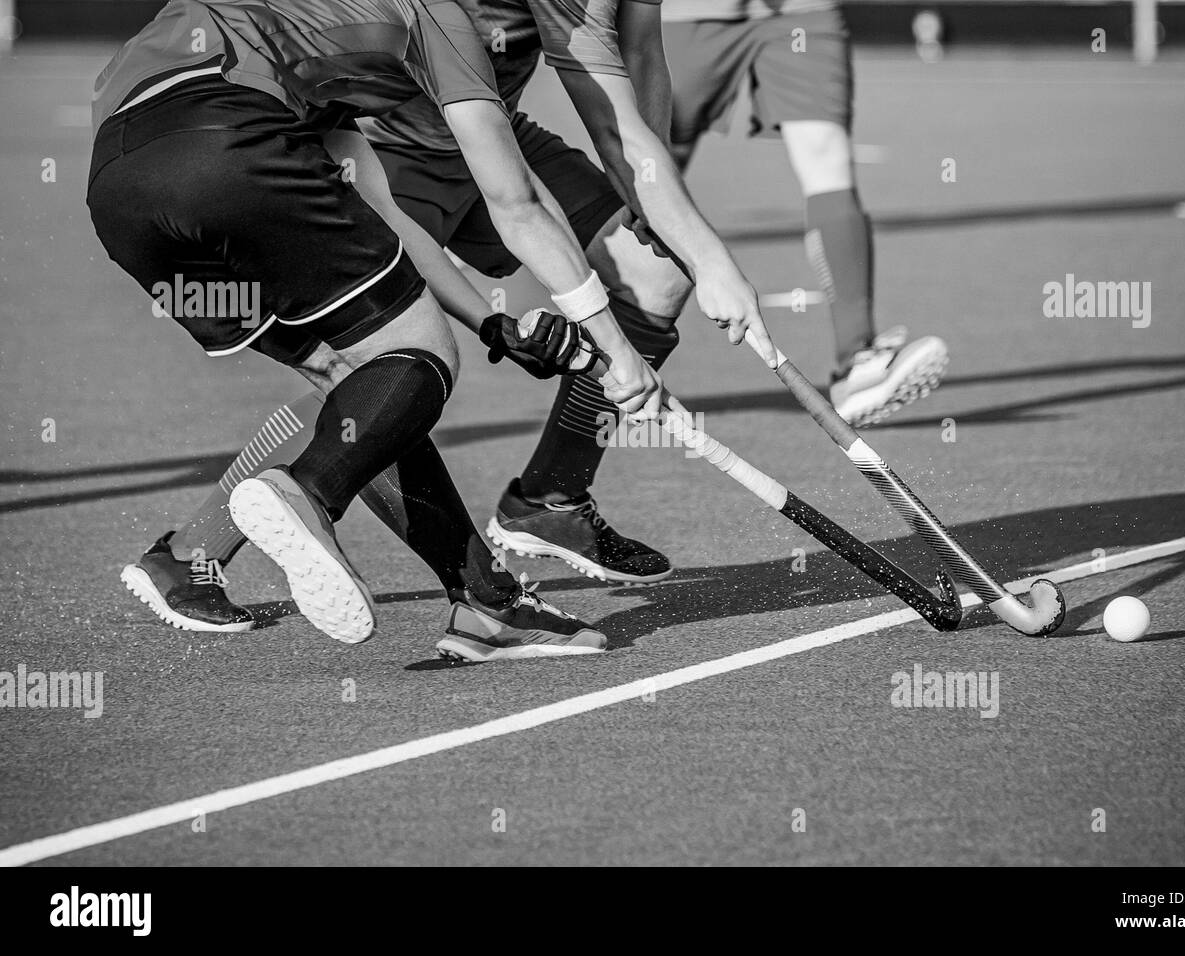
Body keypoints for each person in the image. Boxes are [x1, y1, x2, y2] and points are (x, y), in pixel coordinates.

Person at [123, 0, 788, 639]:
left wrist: (663, 219)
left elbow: (641, 54)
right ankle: (198, 550)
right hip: (385, 142)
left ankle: (549, 503)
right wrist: (709, 261)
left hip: (490, 132)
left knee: (653, 277)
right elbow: (597, 132)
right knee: (372, 360)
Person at [660, 0, 949, 425]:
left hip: (800, 10)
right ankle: (608, 340)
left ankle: (857, 363)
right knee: (657, 171)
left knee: (826, 154)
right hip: (689, 14)